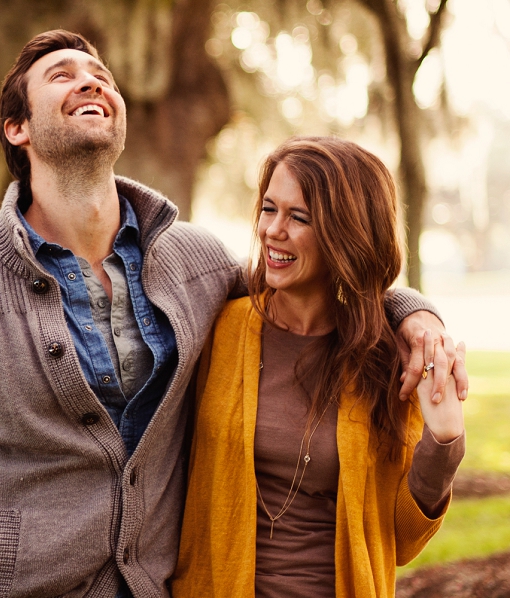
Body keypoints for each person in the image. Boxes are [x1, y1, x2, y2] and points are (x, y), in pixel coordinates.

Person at [0, 32, 463, 598]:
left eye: (102, 76)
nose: (90, 82)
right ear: (18, 128)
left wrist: (414, 314)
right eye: (62, 75)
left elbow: (314, 283)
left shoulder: (195, 263)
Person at [172, 137, 466, 597]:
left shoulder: (388, 359)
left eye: (299, 217)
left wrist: (444, 441)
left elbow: (402, 541)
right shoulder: (219, 327)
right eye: (269, 209)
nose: (273, 230)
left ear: (346, 233)